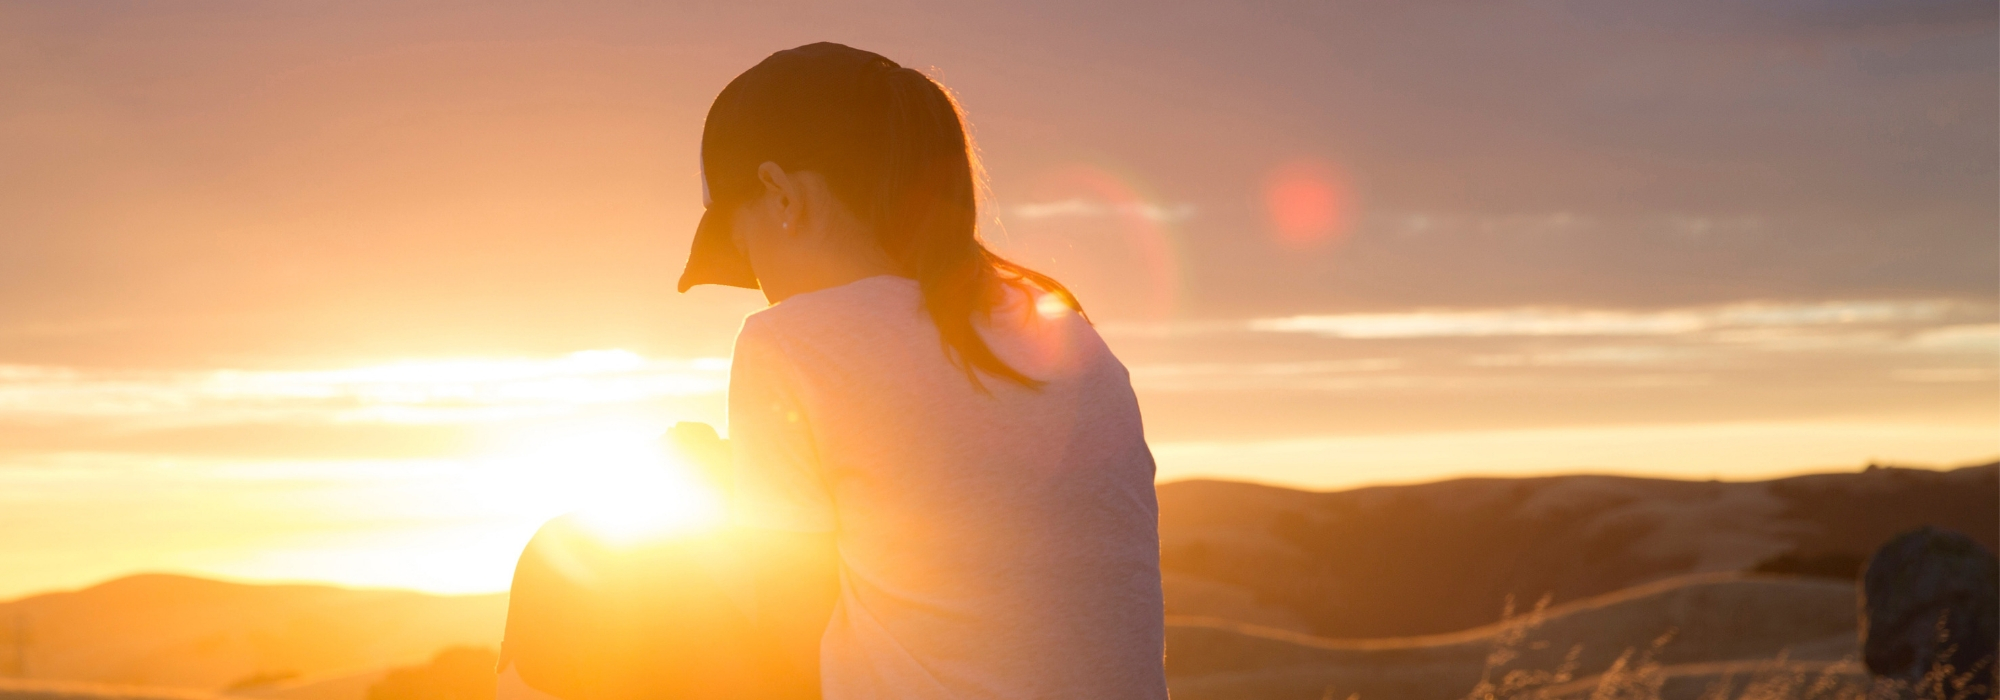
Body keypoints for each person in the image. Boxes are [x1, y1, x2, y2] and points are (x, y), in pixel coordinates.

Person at [501, 41, 1166, 700]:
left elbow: (791, 623)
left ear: (780, 194)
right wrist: (747, 475)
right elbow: (958, 500)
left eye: (743, 245)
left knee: (566, 558)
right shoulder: (1067, 332)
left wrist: (725, 494)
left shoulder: (789, 342)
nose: (759, 283)